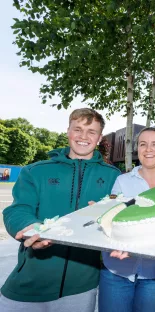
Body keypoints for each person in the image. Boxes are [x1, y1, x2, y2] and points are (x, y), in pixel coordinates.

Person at [0, 108, 120, 312]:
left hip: (81, 288)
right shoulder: (35, 171)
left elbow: (120, 216)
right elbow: (18, 210)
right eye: (78, 129)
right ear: (68, 131)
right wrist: (28, 227)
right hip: (29, 283)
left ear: (99, 138)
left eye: (91, 131)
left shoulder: (114, 176)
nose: (83, 136)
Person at [98, 127, 155, 312]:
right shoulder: (122, 181)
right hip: (116, 271)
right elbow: (113, 221)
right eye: (143, 144)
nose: (148, 149)